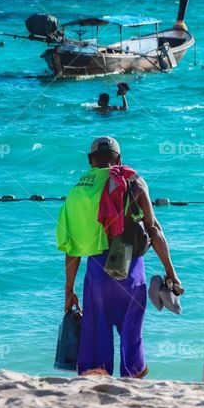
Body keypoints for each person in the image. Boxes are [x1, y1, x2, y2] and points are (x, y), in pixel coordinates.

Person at [57, 136, 182, 378]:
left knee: (96, 335)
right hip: (130, 269)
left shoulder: (78, 191)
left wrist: (69, 290)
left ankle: (97, 384)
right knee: (132, 333)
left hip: (97, 275)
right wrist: (171, 271)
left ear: (90, 160)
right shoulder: (133, 181)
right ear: (119, 158)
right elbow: (154, 229)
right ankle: (132, 379)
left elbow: (71, 248)